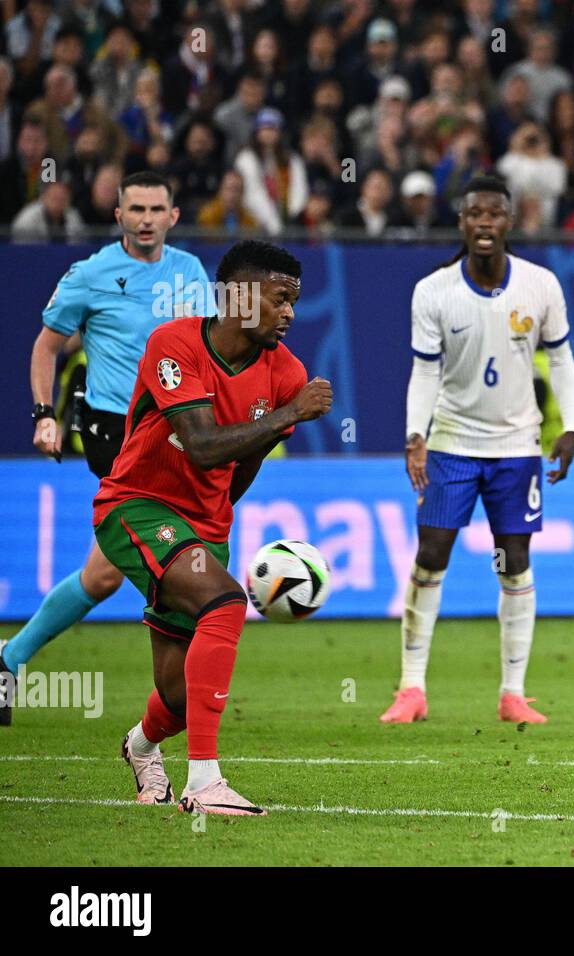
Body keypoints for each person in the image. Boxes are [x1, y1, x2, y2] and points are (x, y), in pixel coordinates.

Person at [99, 240, 330, 814]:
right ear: (239, 296)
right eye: (280, 300)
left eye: (294, 302)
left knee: (177, 698)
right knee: (227, 602)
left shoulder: (287, 373)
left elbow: (239, 467)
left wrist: (212, 526)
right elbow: (202, 447)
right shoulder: (173, 343)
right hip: (138, 506)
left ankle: (141, 745)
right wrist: (292, 413)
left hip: (205, 527)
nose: (290, 314)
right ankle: (206, 783)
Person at [1, 171, 210, 727]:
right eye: (135, 208)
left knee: (104, 574)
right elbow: (46, 347)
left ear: (173, 216)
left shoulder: (190, 273)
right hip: (114, 433)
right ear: (117, 215)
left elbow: (205, 351)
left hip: (175, 431)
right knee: (156, 562)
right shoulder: (90, 275)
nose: (145, 218)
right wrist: (44, 415)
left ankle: (10, 658)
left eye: (155, 208)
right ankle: (182, 681)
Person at [383, 175, 574, 726]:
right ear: (463, 223)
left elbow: (561, 359)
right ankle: (411, 689)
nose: (485, 223)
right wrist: (415, 436)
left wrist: (573, 426)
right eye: (475, 214)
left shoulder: (540, 286)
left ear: (510, 221)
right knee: (431, 556)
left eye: (495, 213)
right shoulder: (434, 291)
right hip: (451, 444)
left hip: (518, 448)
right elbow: (424, 372)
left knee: (515, 563)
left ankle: (513, 693)